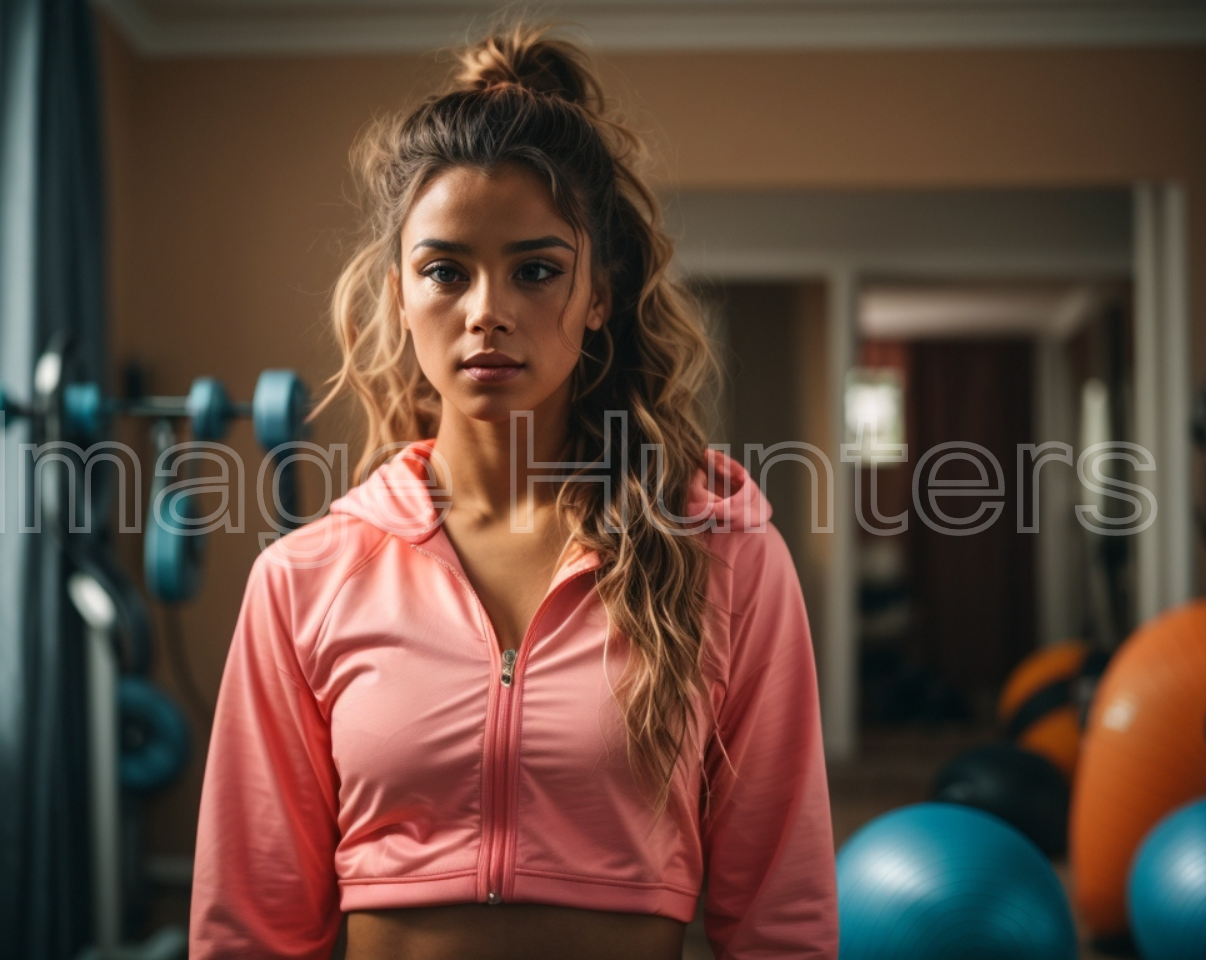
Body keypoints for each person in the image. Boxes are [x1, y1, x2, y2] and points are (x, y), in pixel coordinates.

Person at [189, 19, 838, 960]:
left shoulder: (726, 558)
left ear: (602, 292)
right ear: (399, 294)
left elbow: (781, 918)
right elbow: (249, 927)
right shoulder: (304, 580)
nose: (487, 312)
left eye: (536, 271)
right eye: (445, 272)